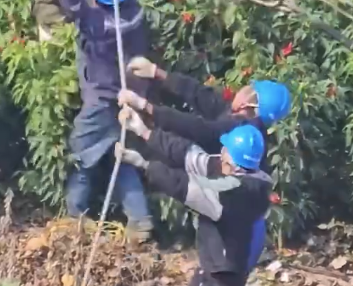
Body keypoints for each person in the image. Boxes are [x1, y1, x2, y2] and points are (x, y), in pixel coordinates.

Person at [118, 57, 291, 265]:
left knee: (218, 271)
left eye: (247, 89)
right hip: (240, 221)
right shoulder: (241, 122)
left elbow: (197, 132)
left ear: (249, 103)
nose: (242, 89)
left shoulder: (240, 135)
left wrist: (146, 109)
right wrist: (157, 73)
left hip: (233, 227)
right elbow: (201, 97)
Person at [115, 104, 272, 286]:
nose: (221, 153)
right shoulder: (241, 174)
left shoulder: (231, 196)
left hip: (223, 275)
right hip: (216, 268)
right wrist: (144, 132)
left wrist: (145, 165)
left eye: (225, 151)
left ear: (233, 163)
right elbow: (190, 156)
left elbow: (187, 186)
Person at [57, 0, 153, 240]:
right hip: (131, 95)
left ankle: (76, 215)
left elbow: (69, 4)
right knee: (118, 155)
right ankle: (140, 220)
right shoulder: (135, 13)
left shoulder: (97, 22)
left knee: (81, 151)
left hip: (102, 97)